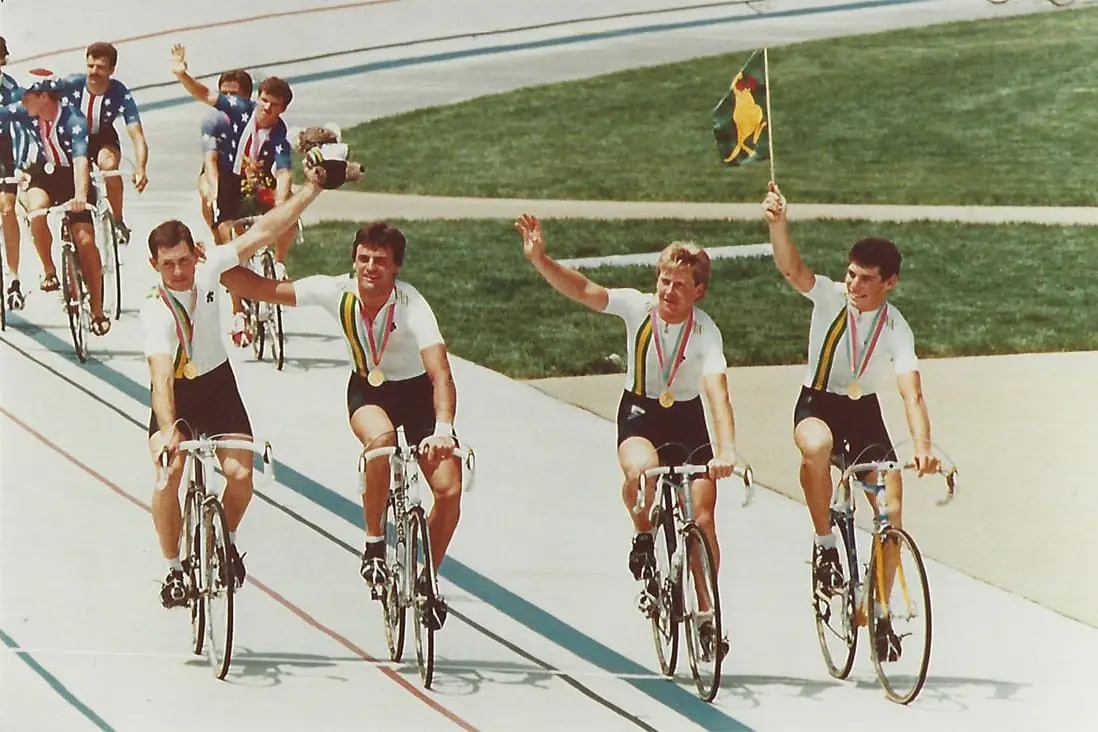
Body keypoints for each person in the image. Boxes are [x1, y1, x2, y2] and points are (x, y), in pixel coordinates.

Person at [216, 218, 460, 631]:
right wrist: (216, 265)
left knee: (449, 489)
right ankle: (374, 546)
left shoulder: (412, 305)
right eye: (363, 258)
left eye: (380, 261)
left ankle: (426, 577)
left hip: (417, 395)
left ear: (396, 266)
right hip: (370, 392)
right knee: (380, 444)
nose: (370, 267)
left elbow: (440, 373)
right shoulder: (337, 292)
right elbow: (261, 289)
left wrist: (443, 428)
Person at [515, 213, 740, 656]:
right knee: (643, 473)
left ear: (699, 291)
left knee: (705, 516)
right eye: (663, 281)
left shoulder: (706, 334)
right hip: (641, 414)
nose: (668, 291)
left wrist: (728, 449)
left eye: (679, 285)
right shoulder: (638, 309)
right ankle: (643, 533)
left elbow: (718, 394)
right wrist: (542, 260)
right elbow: (584, 290)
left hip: (688, 420)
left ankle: (709, 611)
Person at [144, 148, 356, 609]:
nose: (179, 272)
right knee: (168, 476)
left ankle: (228, 540)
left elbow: (266, 229)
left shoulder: (211, 267)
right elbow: (162, 378)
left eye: (184, 261)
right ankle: (172, 568)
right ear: (154, 267)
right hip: (177, 396)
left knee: (240, 476)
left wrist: (313, 188)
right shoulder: (154, 311)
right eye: (168, 265)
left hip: (217, 387)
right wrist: (166, 432)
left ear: (195, 254)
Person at [761, 181, 940, 661]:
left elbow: (911, 390)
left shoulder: (897, 326)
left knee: (893, 513)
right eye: (851, 274)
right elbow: (791, 268)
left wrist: (922, 443)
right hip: (817, 404)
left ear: (889, 283)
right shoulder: (828, 298)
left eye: (865, 279)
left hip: (863, 415)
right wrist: (778, 224)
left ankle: (879, 613)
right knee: (816, 449)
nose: (854, 285)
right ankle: (824, 544)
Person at [170, 43, 294, 347]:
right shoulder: (240, 108)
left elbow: (284, 172)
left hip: (257, 178)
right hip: (229, 180)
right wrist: (182, 74)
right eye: (264, 101)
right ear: (258, 99)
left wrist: (281, 206)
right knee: (228, 240)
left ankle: (278, 262)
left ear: (282, 109)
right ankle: (238, 310)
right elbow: (206, 94)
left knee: (289, 215)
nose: (267, 108)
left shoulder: (279, 133)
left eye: (274, 105)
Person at [13, 74, 110, 333]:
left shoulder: (73, 121)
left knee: (85, 240)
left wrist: (80, 196)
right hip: (43, 173)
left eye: (26, 98)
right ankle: (49, 270)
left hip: (72, 177)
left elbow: (80, 161)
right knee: (36, 213)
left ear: (44, 97)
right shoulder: (30, 114)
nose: (22, 103)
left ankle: (98, 310)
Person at [58, 42, 149, 244]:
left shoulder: (120, 92)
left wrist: (141, 168)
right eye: (90, 66)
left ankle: (118, 220)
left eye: (100, 67)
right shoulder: (71, 84)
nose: (94, 71)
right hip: (73, 138)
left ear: (111, 70)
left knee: (109, 167)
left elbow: (137, 134)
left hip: (102, 139)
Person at [197, 69, 253, 244]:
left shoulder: (255, 115)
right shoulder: (213, 120)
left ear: (248, 96)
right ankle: (218, 238)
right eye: (224, 94)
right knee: (207, 194)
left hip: (248, 169)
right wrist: (215, 189)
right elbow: (210, 160)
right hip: (220, 168)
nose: (229, 100)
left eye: (234, 94)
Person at [0, 35, 33, 310]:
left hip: (3, 151)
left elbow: (22, 132)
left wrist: (21, 166)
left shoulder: (11, 90)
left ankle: (13, 278)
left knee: (7, 209)